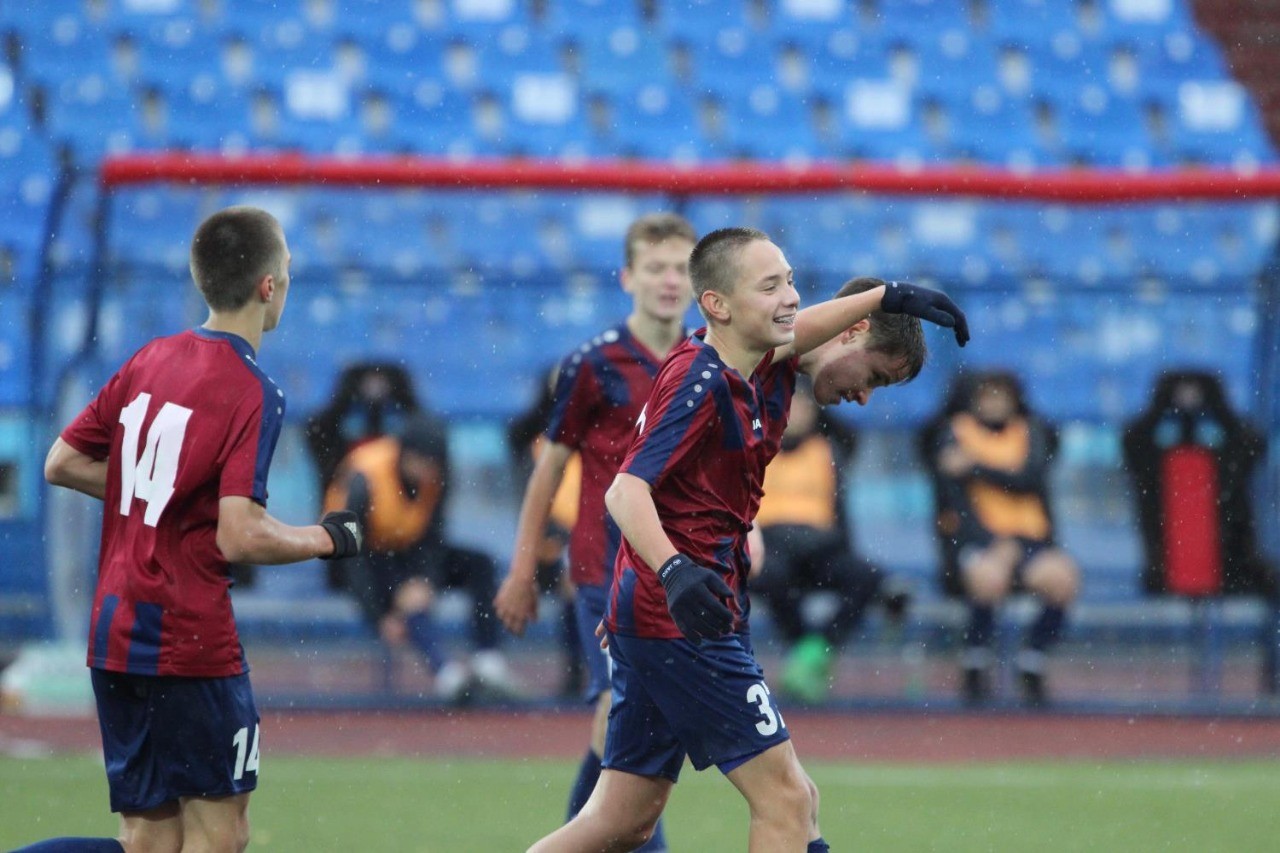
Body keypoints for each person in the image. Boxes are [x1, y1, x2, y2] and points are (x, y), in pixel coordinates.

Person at [528, 227, 967, 852]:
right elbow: (625, 492)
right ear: (719, 304)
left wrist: (887, 297)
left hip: (671, 612)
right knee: (788, 799)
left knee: (622, 822)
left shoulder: (759, 363)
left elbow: (803, 332)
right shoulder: (702, 380)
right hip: (684, 620)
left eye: (790, 281)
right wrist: (671, 576)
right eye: (771, 286)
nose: (790, 297)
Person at [26, 206, 362, 853]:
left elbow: (61, 462)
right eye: (288, 268)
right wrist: (327, 538)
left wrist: (168, 494)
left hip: (115, 627)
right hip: (186, 636)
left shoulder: (150, 358)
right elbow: (240, 535)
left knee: (147, 841)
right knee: (219, 836)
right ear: (268, 285)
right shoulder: (252, 389)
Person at [495, 212, 699, 851]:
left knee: (638, 729)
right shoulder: (593, 363)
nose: (670, 281)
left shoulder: (706, 360)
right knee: (622, 718)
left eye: (681, 268)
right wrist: (522, 568)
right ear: (627, 277)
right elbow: (548, 470)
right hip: (603, 570)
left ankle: (580, 840)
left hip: (670, 570)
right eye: (655, 267)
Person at [325, 411, 522, 702]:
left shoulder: (437, 474)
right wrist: (379, 616)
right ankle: (448, 675)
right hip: (358, 556)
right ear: (405, 455)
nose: (428, 472)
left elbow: (433, 536)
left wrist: (425, 579)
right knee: (404, 593)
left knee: (479, 565)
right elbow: (351, 556)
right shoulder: (365, 477)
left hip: (407, 551)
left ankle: (488, 662)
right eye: (423, 464)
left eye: (434, 466)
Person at [919, 371, 1079, 707]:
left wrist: (976, 467)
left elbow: (1029, 478)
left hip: (1028, 539)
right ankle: (976, 659)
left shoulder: (1029, 432)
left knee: (1063, 579)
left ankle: (1033, 659)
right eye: (987, 397)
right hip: (978, 541)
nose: (994, 404)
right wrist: (987, 541)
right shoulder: (955, 433)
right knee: (988, 578)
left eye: (1001, 396)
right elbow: (953, 503)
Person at [751, 375, 911, 703]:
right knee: (771, 577)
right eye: (789, 406)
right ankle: (807, 649)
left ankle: (815, 648)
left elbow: (840, 508)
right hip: (772, 547)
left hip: (819, 547)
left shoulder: (828, 448)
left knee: (866, 577)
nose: (796, 413)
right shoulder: (757, 447)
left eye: (804, 406)